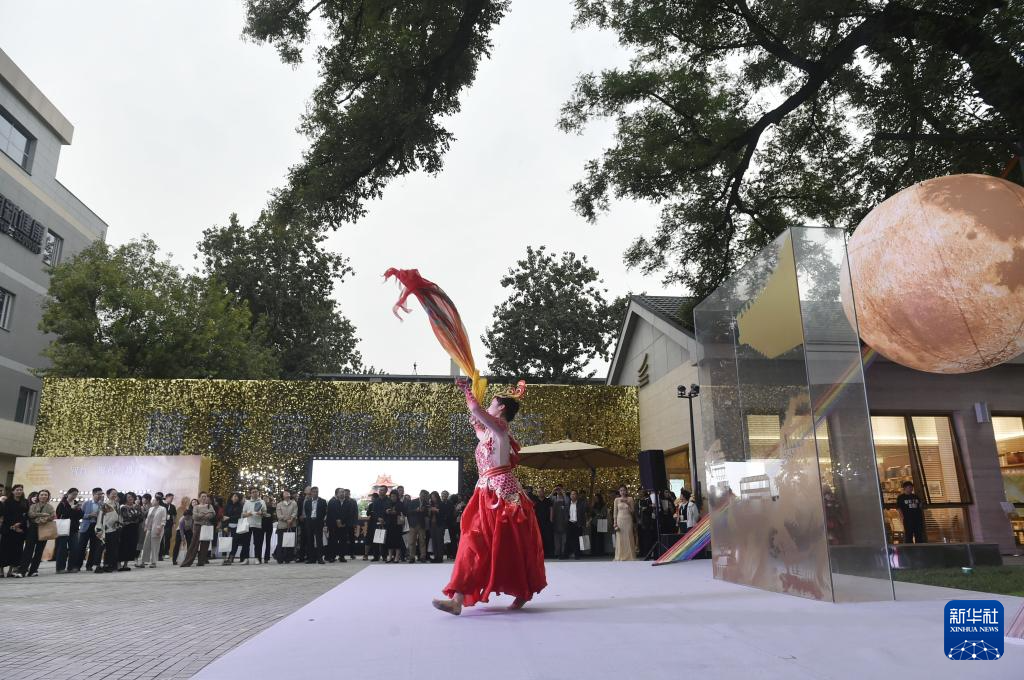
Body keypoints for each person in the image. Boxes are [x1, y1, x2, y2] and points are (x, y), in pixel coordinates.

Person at [433, 379, 546, 615]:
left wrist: (467, 390)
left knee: (510, 544)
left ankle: (522, 591)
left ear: (501, 408)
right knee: (471, 541)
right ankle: (457, 599)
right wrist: (473, 407)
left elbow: (476, 409)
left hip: (503, 494)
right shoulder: (488, 433)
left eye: (492, 403)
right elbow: (476, 418)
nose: (489, 407)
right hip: (485, 492)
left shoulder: (501, 428)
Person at [20, 489, 56, 577]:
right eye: (42, 495)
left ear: (48, 497)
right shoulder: (33, 505)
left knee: (39, 551)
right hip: (33, 529)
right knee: (28, 550)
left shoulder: (50, 507)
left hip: (44, 529)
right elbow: (30, 514)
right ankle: (22, 570)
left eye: (45, 495)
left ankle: (33, 570)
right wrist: (43, 515)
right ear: (38, 496)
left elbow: (52, 516)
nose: (43, 496)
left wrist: (40, 517)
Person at [180, 493, 216, 567]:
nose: (204, 498)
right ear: (199, 498)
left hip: (206, 526)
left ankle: (201, 562)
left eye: (205, 496)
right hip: (198, 526)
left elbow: (212, 514)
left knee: (205, 544)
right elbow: (195, 516)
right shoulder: (196, 507)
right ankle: (187, 562)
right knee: (194, 544)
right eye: (202, 496)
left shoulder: (210, 506)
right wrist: (205, 514)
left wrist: (202, 515)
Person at [73, 487, 104, 572]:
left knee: (94, 547)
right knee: (81, 547)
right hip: (86, 527)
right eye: (98, 494)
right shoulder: (86, 503)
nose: (100, 496)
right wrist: (89, 515)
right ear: (93, 494)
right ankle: (77, 565)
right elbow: (80, 515)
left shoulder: (102, 505)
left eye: (101, 494)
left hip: (96, 527)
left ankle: (89, 565)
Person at [2, 484, 29, 578]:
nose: (19, 491)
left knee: (17, 551)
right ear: (13, 491)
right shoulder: (7, 502)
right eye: (17, 490)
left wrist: (19, 524)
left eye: (21, 490)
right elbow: (5, 515)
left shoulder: (25, 502)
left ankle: (11, 570)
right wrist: (13, 526)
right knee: (4, 550)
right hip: (8, 529)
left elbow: (26, 515)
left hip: (20, 530)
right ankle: (1, 570)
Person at [55, 487, 83, 574]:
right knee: (62, 549)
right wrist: (71, 509)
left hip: (74, 529)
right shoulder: (62, 504)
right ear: (68, 494)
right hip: (63, 529)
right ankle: (60, 568)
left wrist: (78, 509)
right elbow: (60, 515)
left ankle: (71, 567)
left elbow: (81, 516)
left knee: (74, 548)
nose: (74, 496)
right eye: (73, 494)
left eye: (76, 494)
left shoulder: (76, 503)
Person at [94, 488, 121, 574]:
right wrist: (99, 529)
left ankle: (109, 565)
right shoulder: (105, 505)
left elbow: (119, 516)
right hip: (104, 529)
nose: (114, 495)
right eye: (113, 494)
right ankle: (97, 566)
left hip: (114, 529)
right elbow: (100, 517)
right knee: (100, 548)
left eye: (116, 494)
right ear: (108, 495)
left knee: (111, 548)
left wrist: (119, 524)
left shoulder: (117, 504)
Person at [239, 487, 266, 565]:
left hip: (258, 524)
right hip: (248, 525)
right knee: (246, 543)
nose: (255, 493)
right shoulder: (247, 502)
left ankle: (257, 558)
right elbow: (243, 514)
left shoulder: (262, 501)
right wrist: (248, 514)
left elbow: (265, 513)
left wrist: (261, 513)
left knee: (257, 542)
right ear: (250, 494)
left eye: (256, 492)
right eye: (253, 492)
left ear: (258, 493)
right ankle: (246, 559)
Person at [138, 494, 167, 568]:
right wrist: (146, 526)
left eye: (154, 500)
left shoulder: (162, 509)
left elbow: (163, 520)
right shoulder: (151, 508)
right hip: (149, 529)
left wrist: (160, 528)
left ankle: (153, 562)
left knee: (155, 546)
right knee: (146, 545)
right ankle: (143, 562)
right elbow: (148, 518)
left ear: (158, 501)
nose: (152, 501)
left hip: (157, 529)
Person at [118, 492, 144, 571]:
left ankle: (125, 564)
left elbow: (141, 518)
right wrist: (135, 517)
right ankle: (118, 564)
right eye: (129, 497)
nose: (130, 498)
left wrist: (134, 517)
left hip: (134, 529)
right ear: (125, 498)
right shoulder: (123, 507)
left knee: (131, 546)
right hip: (125, 529)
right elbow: (127, 517)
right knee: (123, 546)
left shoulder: (137, 507)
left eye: (132, 497)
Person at [303, 486, 327, 564]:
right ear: (311, 493)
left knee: (319, 540)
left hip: (318, 523)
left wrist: (319, 519)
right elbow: (307, 512)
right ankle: (311, 558)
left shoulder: (323, 501)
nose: (315, 493)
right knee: (310, 540)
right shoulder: (307, 502)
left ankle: (320, 558)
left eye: (317, 492)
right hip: (310, 523)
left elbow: (324, 512)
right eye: (314, 492)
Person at [613, 485, 637, 561]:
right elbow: (615, 512)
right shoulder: (616, 500)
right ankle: (620, 556)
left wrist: (627, 503)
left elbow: (632, 511)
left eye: (624, 490)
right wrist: (615, 523)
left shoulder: (630, 499)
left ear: (626, 491)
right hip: (620, 519)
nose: (622, 492)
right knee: (620, 538)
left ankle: (630, 556)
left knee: (629, 536)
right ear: (619, 492)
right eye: (621, 490)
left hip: (628, 519)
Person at [275, 489, 298, 564]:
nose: (287, 494)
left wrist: (291, 519)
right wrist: (287, 520)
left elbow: (295, 512)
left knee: (290, 541)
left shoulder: (294, 503)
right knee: (280, 542)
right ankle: (280, 558)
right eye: (285, 493)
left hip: (292, 525)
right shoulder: (279, 504)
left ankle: (288, 558)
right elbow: (279, 515)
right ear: (282, 496)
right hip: (282, 526)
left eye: (288, 493)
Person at [382, 489, 405, 563]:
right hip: (389, 524)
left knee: (397, 541)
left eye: (394, 496)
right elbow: (383, 513)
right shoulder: (388, 503)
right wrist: (386, 511)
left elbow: (403, 512)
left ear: (397, 496)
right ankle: (390, 556)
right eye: (391, 496)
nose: (393, 498)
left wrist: (396, 512)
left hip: (397, 524)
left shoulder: (400, 504)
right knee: (389, 541)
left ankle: (397, 557)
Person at [566, 490, 588, 560]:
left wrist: (584, 523)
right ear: (570, 496)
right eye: (572, 494)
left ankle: (577, 554)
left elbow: (585, 513)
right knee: (568, 539)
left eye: (574, 494)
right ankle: (567, 554)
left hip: (577, 523)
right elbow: (566, 513)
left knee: (578, 539)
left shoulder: (581, 503)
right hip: (570, 523)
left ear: (577, 496)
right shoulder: (568, 503)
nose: (573, 495)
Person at [407, 490, 429, 563]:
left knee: (422, 541)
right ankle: (412, 557)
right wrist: (416, 510)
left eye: (425, 496)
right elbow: (408, 512)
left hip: (422, 525)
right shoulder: (413, 502)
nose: (423, 497)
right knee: (411, 541)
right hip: (413, 524)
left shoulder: (426, 503)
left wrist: (425, 511)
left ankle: (423, 557)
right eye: (422, 495)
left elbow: (427, 514)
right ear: (419, 494)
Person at [173, 499, 196, 565]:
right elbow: (181, 531)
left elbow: (192, 528)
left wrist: (193, 535)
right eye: (186, 516)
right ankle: (174, 560)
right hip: (180, 531)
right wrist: (183, 540)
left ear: (191, 516)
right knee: (177, 544)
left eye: (188, 517)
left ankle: (188, 559)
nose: (187, 518)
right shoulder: (182, 520)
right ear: (184, 515)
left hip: (188, 530)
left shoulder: (192, 519)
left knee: (190, 544)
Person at [326, 487, 346, 563]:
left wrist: (342, 522)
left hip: (342, 525)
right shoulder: (332, 501)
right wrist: (337, 521)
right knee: (333, 541)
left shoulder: (346, 502)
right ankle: (331, 556)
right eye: (341, 492)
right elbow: (331, 513)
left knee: (342, 541)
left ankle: (341, 556)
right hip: (333, 525)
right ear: (337, 493)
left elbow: (347, 513)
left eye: (343, 492)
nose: (343, 493)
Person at [550, 486, 570, 559]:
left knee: (564, 539)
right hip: (556, 520)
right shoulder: (554, 498)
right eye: (557, 490)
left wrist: (563, 492)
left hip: (564, 520)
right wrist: (553, 491)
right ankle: (557, 553)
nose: (559, 491)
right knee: (556, 539)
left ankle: (563, 553)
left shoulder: (565, 498)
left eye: (560, 489)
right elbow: (547, 500)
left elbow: (568, 501)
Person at [427, 491, 446, 562]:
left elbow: (444, 513)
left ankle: (440, 557)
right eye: (432, 497)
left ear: (437, 497)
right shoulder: (430, 504)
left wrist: (436, 510)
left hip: (439, 524)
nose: (433, 499)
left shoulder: (442, 504)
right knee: (434, 541)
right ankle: (436, 556)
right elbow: (428, 515)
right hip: (432, 525)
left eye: (434, 497)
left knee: (439, 541)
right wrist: (429, 511)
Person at [341, 488, 358, 560]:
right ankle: (342, 554)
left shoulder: (353, 501)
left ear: (349, 494)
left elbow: (356, 512)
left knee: (352, 539)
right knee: (343, 539)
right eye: (345, 493)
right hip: (343, 523)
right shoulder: (342, 501)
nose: (346, 494)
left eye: (347, 493)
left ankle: (352, 554)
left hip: (351, 523)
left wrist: (355, 523)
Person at [590, 492, 607, 557]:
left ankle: (600, 552)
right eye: (595, 498)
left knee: (600, 537)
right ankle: (593, 552)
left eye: (597, 498)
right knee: (593, 537)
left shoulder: (603, 505)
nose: (596, 499)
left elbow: (604, 514)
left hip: (601, 522)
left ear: (600, 498)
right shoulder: (593, 505)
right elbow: (591, 514)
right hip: (594, 523)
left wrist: (598, 514)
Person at [160, 493, 176, 561]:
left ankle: (166, 552)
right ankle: (160, 553)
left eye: (172, 499)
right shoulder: (162, 505)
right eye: (171, 498)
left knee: (168, 537)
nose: (172, 500)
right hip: (162, 523)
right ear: (166, 497)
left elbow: (174, 515)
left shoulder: (172, 506)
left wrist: (174, 523)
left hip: (169, 524)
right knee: (161, 538)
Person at [261, 492, 276, 563]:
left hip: (269, 525)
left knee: (268, 542)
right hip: (261, 526)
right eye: (264, 498)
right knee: (260, 542)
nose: (265, 499)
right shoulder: (260, 506)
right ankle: (259, 556)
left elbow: (273, 515)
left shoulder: (271, 506)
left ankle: (266, 558)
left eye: (266, 498)